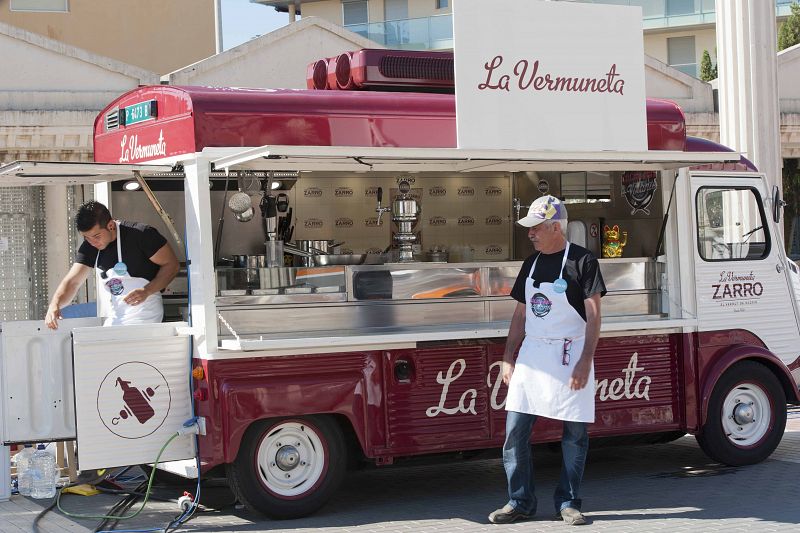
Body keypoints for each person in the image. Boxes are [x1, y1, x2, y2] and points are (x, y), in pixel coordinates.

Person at [489, 195, 606, 526]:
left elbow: (594, 316)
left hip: (571, 355)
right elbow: (520, 315)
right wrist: (508, 356)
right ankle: (520, 501)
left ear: (556, 226)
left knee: (574, 434)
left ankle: (568, 502)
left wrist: (586, 360)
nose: (530, 234)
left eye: (535, 227)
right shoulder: (531, 264)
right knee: (515, 433)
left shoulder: (582, 262)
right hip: (533, 355)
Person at [45, 201, 179, 328]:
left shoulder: (142, 235)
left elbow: (172, 265)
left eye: (96, 236)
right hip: (116, 319)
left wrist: (147, 290)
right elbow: (72, 282)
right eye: (86, 238)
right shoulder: (90, 246)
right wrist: (55, 304)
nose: (92, 243)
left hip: (148, 318)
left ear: (111, 225)